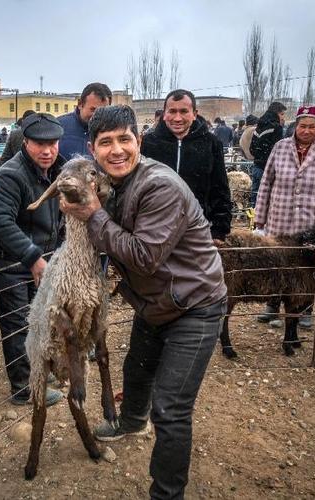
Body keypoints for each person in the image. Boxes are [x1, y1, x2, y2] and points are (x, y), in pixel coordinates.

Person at [61, 105, 227, 499]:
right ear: (92, 147)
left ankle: (166, 494)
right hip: (154, 300)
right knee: (136, 369)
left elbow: (142, 256)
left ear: (139, 141)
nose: (116, 150)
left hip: (194, 304)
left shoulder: (159, 186)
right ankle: (132, 421)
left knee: (170, 407)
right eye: (106, 143)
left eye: (125, 140)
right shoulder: (111, 182)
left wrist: (92, 214)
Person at [0, 113, 64, 406]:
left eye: (52, 143)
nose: (47, 150)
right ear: (25, 142)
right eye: (39, 144)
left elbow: (59, 216)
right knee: (17, 322)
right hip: (10, 263)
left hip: (41, 258)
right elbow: (0, 223)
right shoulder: (11, 175)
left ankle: (37, 371)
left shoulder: (58, 170)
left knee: (39, 318)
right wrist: (32, 257)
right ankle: (23, 386)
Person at [253, 106, 315, 329]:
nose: (306, 130)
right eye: (302, 126)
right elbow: (266, 183)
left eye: (312, 126)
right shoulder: (280, 147)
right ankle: (272, 306)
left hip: (311, 220)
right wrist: (260, 219)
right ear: (296, 126)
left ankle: (304, 309)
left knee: (307, 266)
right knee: (275, 262)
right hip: (280, 217)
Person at [141, 89, 232, 242]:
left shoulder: (210, 143)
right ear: (164, 114)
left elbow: (220, 187)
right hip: (155, 229)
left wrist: (219, 228)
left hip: (197, 229)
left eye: (184, 111)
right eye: (172, 111)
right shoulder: (149, 143)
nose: (177, 118)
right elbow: (139, 186)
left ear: (194, 114)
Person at [57, 82, 111, 159]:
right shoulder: (59, 127)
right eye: (93, 110)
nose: (98, 115)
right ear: (80, 104)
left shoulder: (111, 133)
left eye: (103, 111)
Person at [250, 101, 287, 206]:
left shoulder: (260, 125)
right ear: (276, 113)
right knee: (267, 199)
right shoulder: (276, 127)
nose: (283, 117)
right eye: (282, 114)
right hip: (269, 169)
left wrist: (258, 157)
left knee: (255, 196)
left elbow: (252, 148)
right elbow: (278, 150)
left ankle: (253, 219)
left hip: (257, 166)